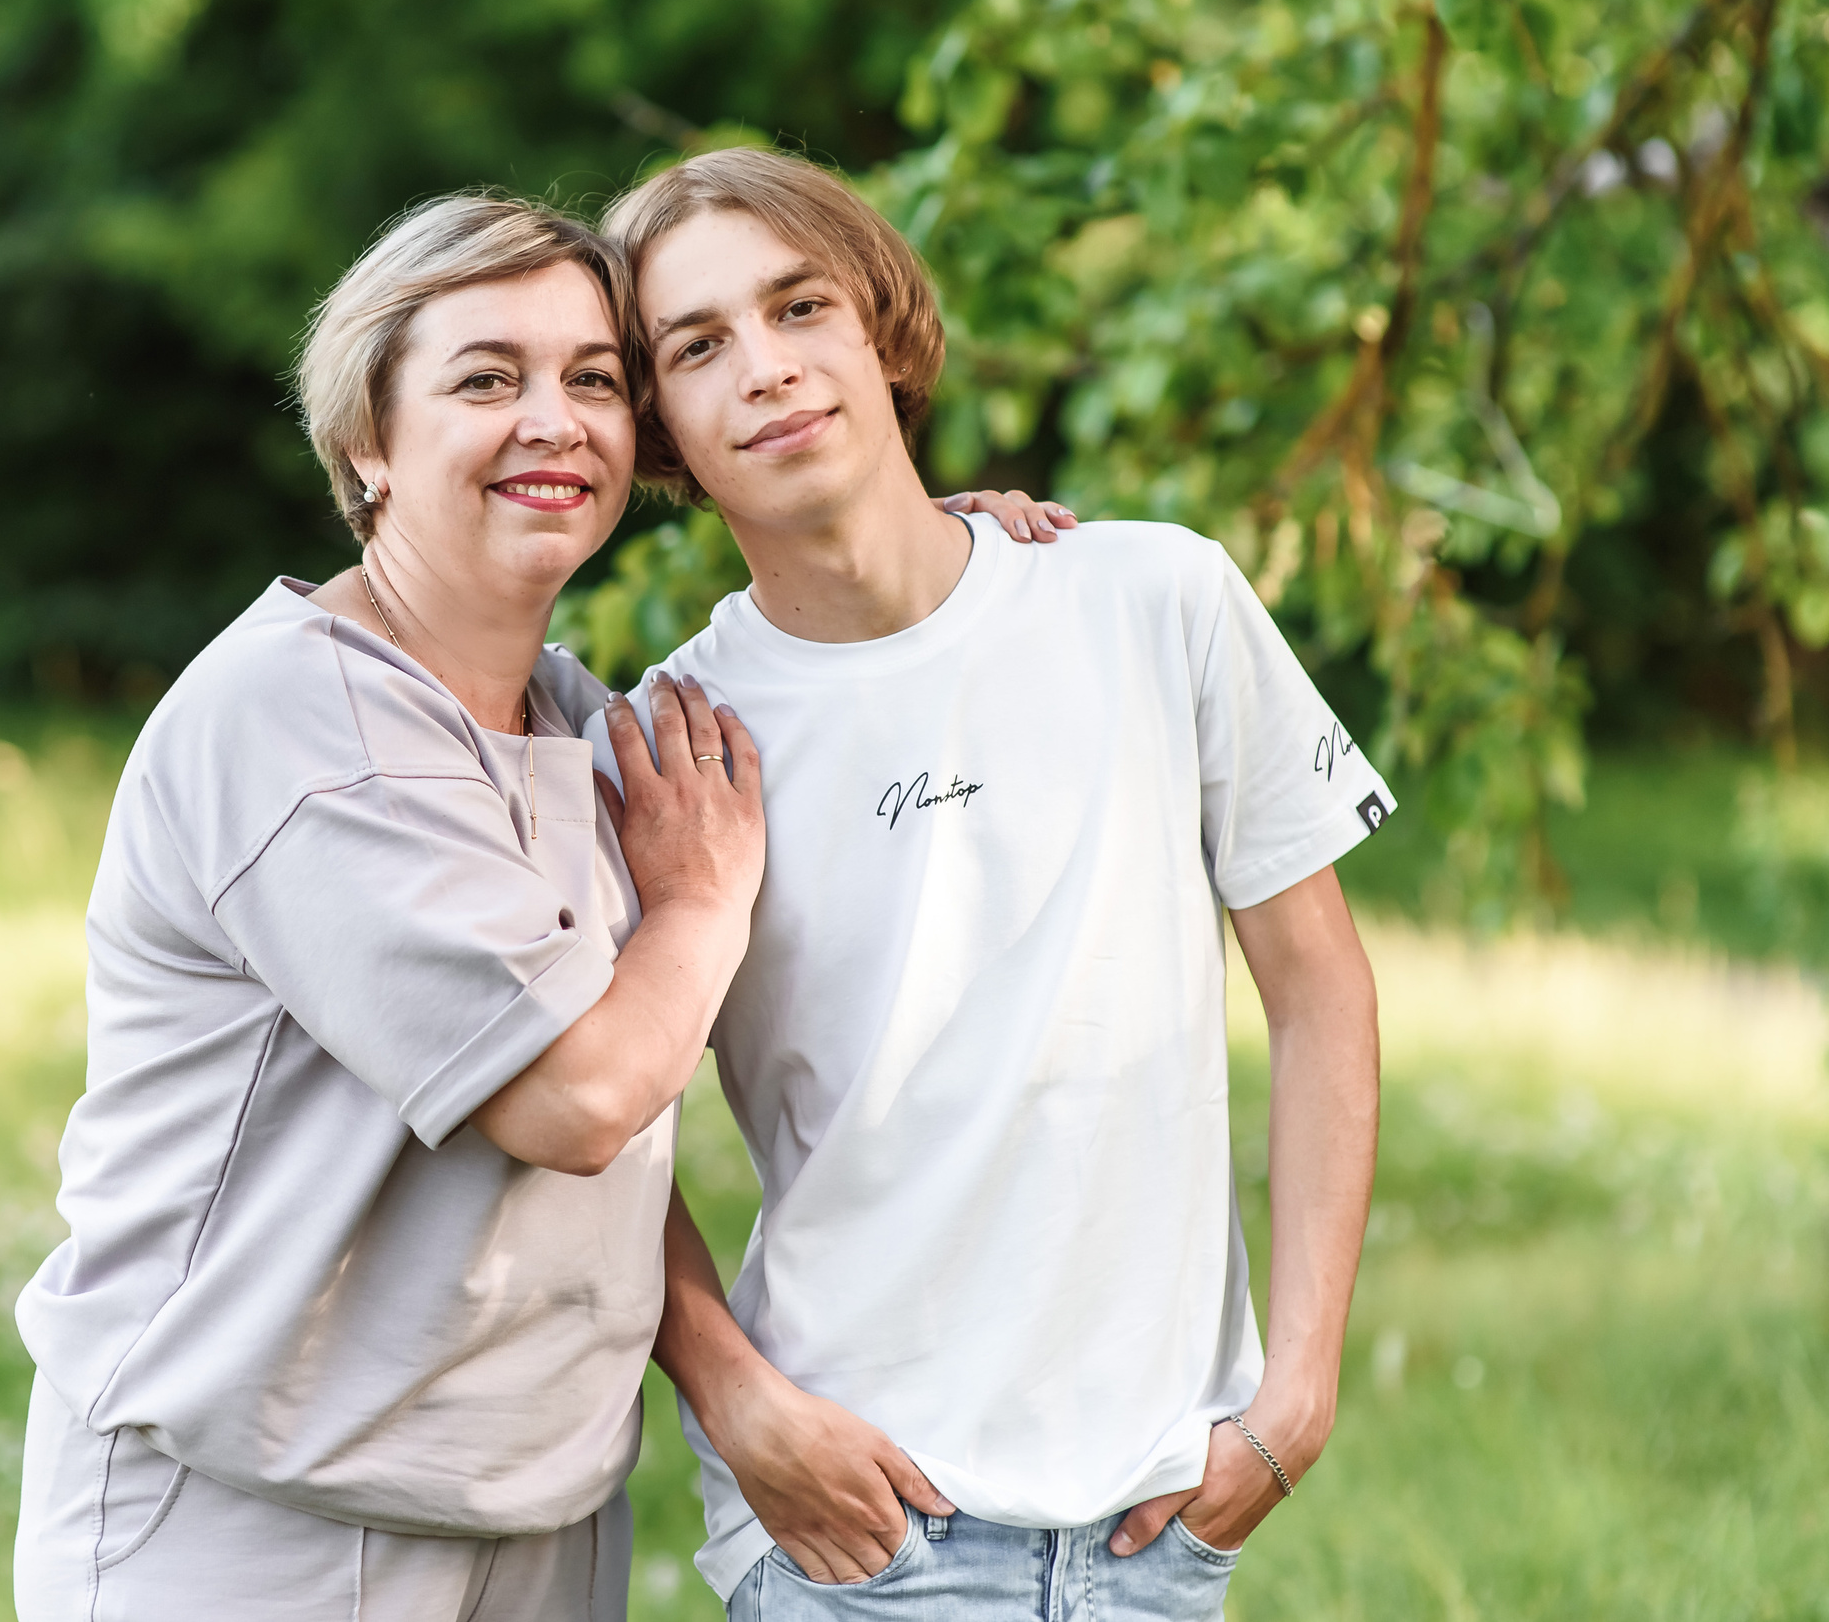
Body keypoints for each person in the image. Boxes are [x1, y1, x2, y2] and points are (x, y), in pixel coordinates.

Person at [9, 189, 1065, 1621]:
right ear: (369, 444)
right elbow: (577, 1099)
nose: (554, 420)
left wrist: (912, 545)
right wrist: (695, 908)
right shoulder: (298, 725)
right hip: (257, 1527)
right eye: (487, 379)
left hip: (532, 1518)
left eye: (594, 380)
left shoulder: (568, 718)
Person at [591, 147, 1386, 1621]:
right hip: (862, 1528)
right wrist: (737, 1397)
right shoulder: (669, 748)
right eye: (698, 346)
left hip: (1157, 1529)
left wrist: (1299, 1391)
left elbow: (1321, 981)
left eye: (798, 306)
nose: (764, 367)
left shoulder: (1157, 600)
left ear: (882, 327)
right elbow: (590, 1125)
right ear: (657, 427)